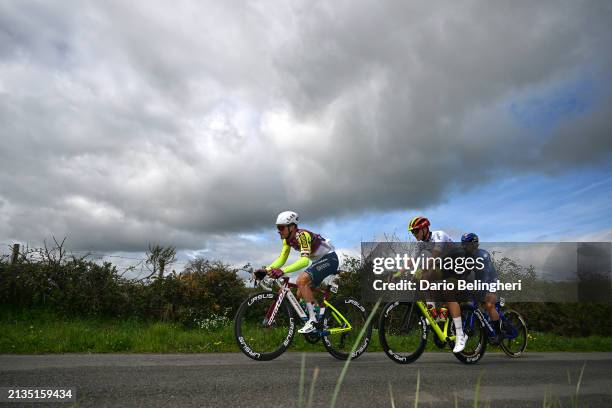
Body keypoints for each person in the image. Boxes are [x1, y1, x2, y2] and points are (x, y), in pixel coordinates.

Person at [255, 211, 338, 334]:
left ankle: (313, 321)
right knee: (300, 293)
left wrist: (282, 271)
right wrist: (266, 270)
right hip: (317, 261)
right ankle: (320, 319)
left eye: (281, 227)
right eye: (278, 227)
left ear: (292, 227)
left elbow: (304, 261)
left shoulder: (302, 235)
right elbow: (282, 259)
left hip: (329, 259)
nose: (279, 230)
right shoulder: (287, 240)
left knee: (301, 280)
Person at [408, 216, 468, 353]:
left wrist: (420, 269)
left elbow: (435, 255)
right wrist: (397, 274)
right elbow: (411, 261)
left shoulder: (439, 235)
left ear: (424, 228)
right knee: (425, 278)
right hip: (445, 268)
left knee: (448, 292)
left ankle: (460, 335)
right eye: (412, 232)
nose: (414, 234)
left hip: (458, 267)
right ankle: (432, 313)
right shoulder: (420, 244)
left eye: (416, 231)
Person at [461, 232, 502, 344]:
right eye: (462, 244)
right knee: (473, 305)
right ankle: (486, 327)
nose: (463, 246)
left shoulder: (483, 255)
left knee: (489, 304)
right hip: (480, 283)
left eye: (466, 244)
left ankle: (498, 334)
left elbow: (487, 273)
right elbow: (464, 273)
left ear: (474, 244)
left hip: (491, 281)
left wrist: (479, 287)